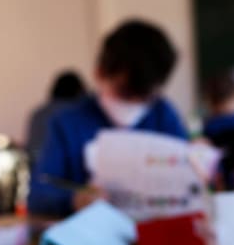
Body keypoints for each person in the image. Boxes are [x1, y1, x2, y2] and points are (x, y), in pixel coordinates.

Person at [28, 19, 188, 216]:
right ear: (100, 73)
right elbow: (38, 195)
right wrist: (75, 200)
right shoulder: (66, 123)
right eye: (125, 93)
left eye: (145, 96)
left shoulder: (163, 113)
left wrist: (199, 164)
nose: (134, 104)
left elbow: (189, 176)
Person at [26, 70, 87, 166]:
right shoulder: (75, 114)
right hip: (64, 173)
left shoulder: (38, 113)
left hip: (35, 168)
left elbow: (31, 148)